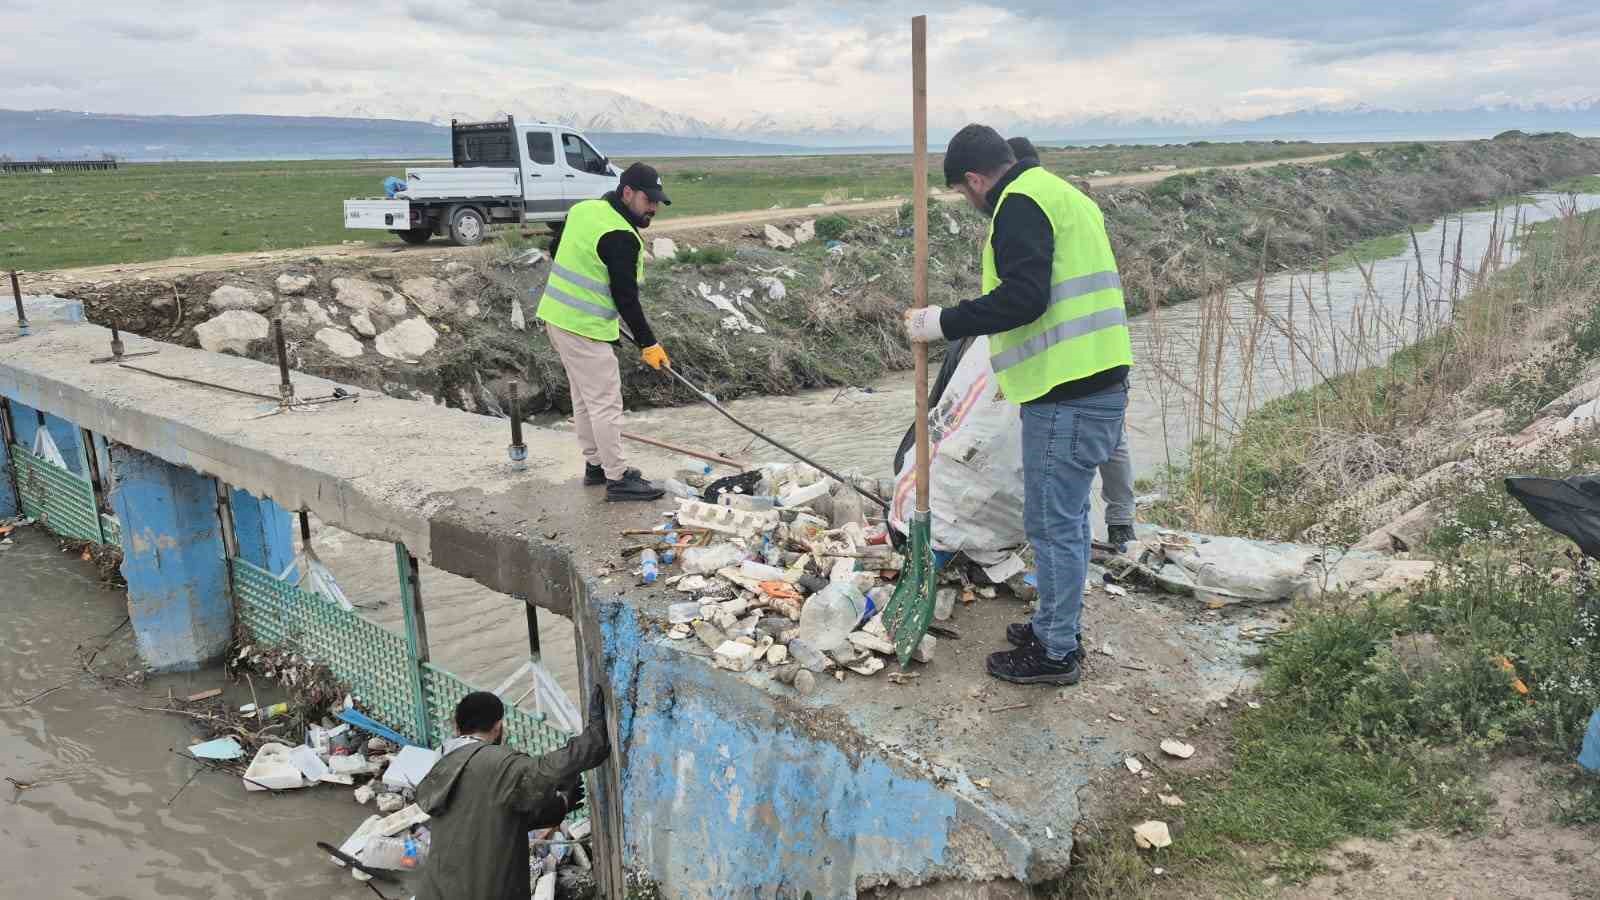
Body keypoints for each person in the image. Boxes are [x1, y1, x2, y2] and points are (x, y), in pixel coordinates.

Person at [905, 124, 1133, 686]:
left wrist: (944, 322)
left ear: (975, 179)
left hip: (1069, 393)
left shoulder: (1019, 203)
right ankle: (1057, 627)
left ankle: (1055, 653)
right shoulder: (1063, 194)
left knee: (1054, 526)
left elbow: (1023, 299)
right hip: (1094, 381)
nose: (969, 201)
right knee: (1063, 521)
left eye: (963, 192)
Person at [1006, 136, 1137, 550]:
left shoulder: (1030, 206)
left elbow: (1029, 297)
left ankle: (1117, 522)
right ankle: (1120, 523)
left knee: (1057, 517)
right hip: (1109, 354)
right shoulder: (1077, 204)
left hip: (1073, 369)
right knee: (1111, 444)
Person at [536, 162, 673, 502]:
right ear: (627, 193)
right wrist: (649, 343)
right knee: (606, 404)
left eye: (657, 201)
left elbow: (555, 249)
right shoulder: (621, 236)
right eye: (648, 200)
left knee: (585, 399)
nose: (653, 208)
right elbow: (626, 299)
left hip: (557, 318)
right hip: (584, 328)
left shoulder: (584, 210)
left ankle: (596, 465)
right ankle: (618, 478)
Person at [414, 687, 611, 900]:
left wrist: (559, 806)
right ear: (498, 726)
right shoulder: (496, 763)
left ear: (457, 726)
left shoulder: (445, 763)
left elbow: (494, 818)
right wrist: (594, 737)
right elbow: (550, 769)